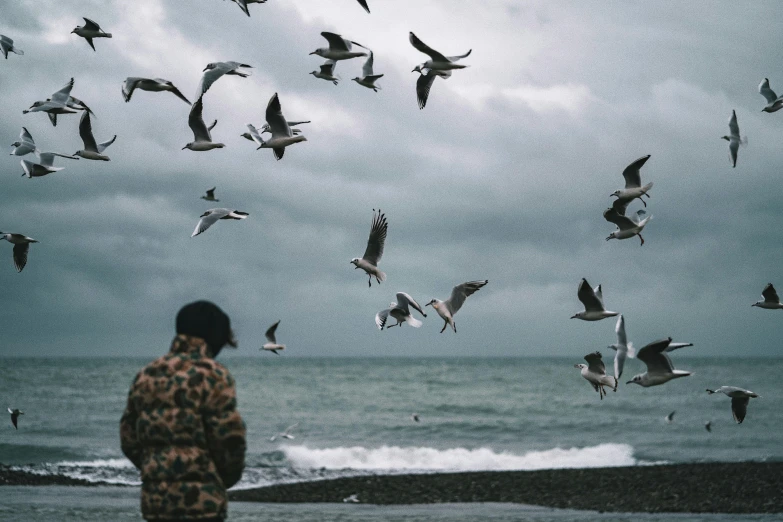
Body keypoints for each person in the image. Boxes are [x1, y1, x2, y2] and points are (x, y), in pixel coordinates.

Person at [120, 301, 246, 521]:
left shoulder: (146, 375)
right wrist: (219, 479)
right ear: (214, 336)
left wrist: (156, 468)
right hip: (202, 502)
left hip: (155, 502)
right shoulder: (213, 374)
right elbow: (229, 440)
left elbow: (129, 437)